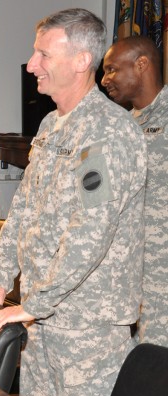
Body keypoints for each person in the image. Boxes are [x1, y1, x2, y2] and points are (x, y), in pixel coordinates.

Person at [0, 9, 146, 396]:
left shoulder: (108, 132)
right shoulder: (50, 125)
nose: (31, 66)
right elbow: (24, 209)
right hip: (41, 317)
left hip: (88, 327)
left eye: (44, 55)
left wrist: (33, 304)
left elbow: (90, 234)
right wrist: (1, 275)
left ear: (82, 61)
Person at [102, 36, 168, 346]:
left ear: (141, 65)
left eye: (111, 69)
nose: (104, 80)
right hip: (127, 278)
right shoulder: (122, 128)